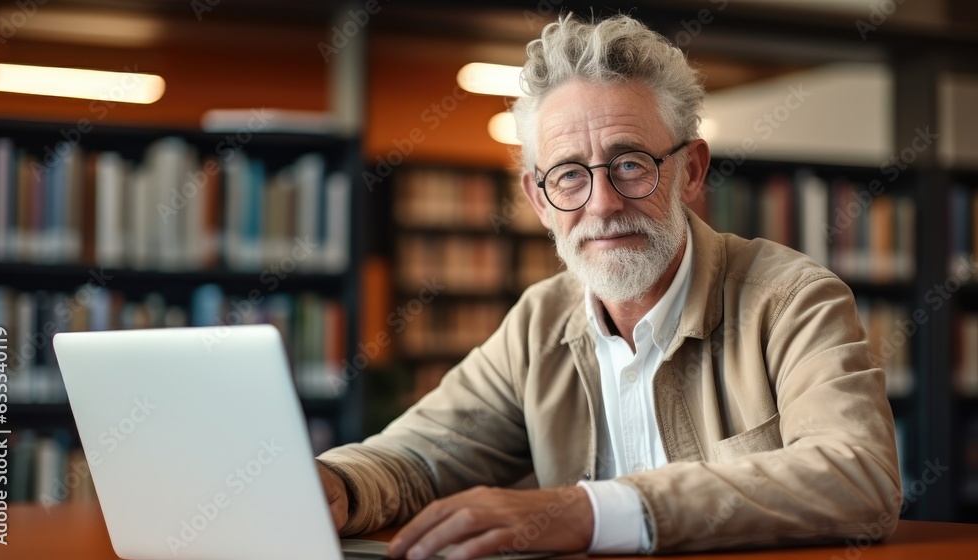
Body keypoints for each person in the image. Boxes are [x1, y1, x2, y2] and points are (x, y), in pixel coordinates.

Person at [317, 13, 901, 559]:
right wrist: (338, 483)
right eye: (569, 174)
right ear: (538, 200)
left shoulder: (793, 300)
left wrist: (593, 511)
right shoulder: (538, 323)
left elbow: (858, 473)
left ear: (691, 171)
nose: (602, 205)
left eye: (629, 164)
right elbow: (421, 454)